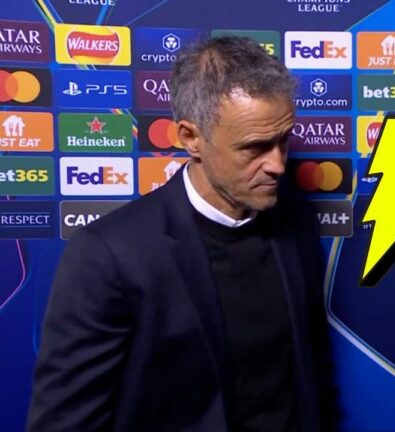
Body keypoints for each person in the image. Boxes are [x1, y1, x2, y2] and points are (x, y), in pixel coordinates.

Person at [27, 36, 337, 432]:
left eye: (283, 141)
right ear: (191, 138)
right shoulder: (110, 254)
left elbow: (313, 374)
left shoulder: (297, 221)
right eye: (255, 147)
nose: (277, 164)